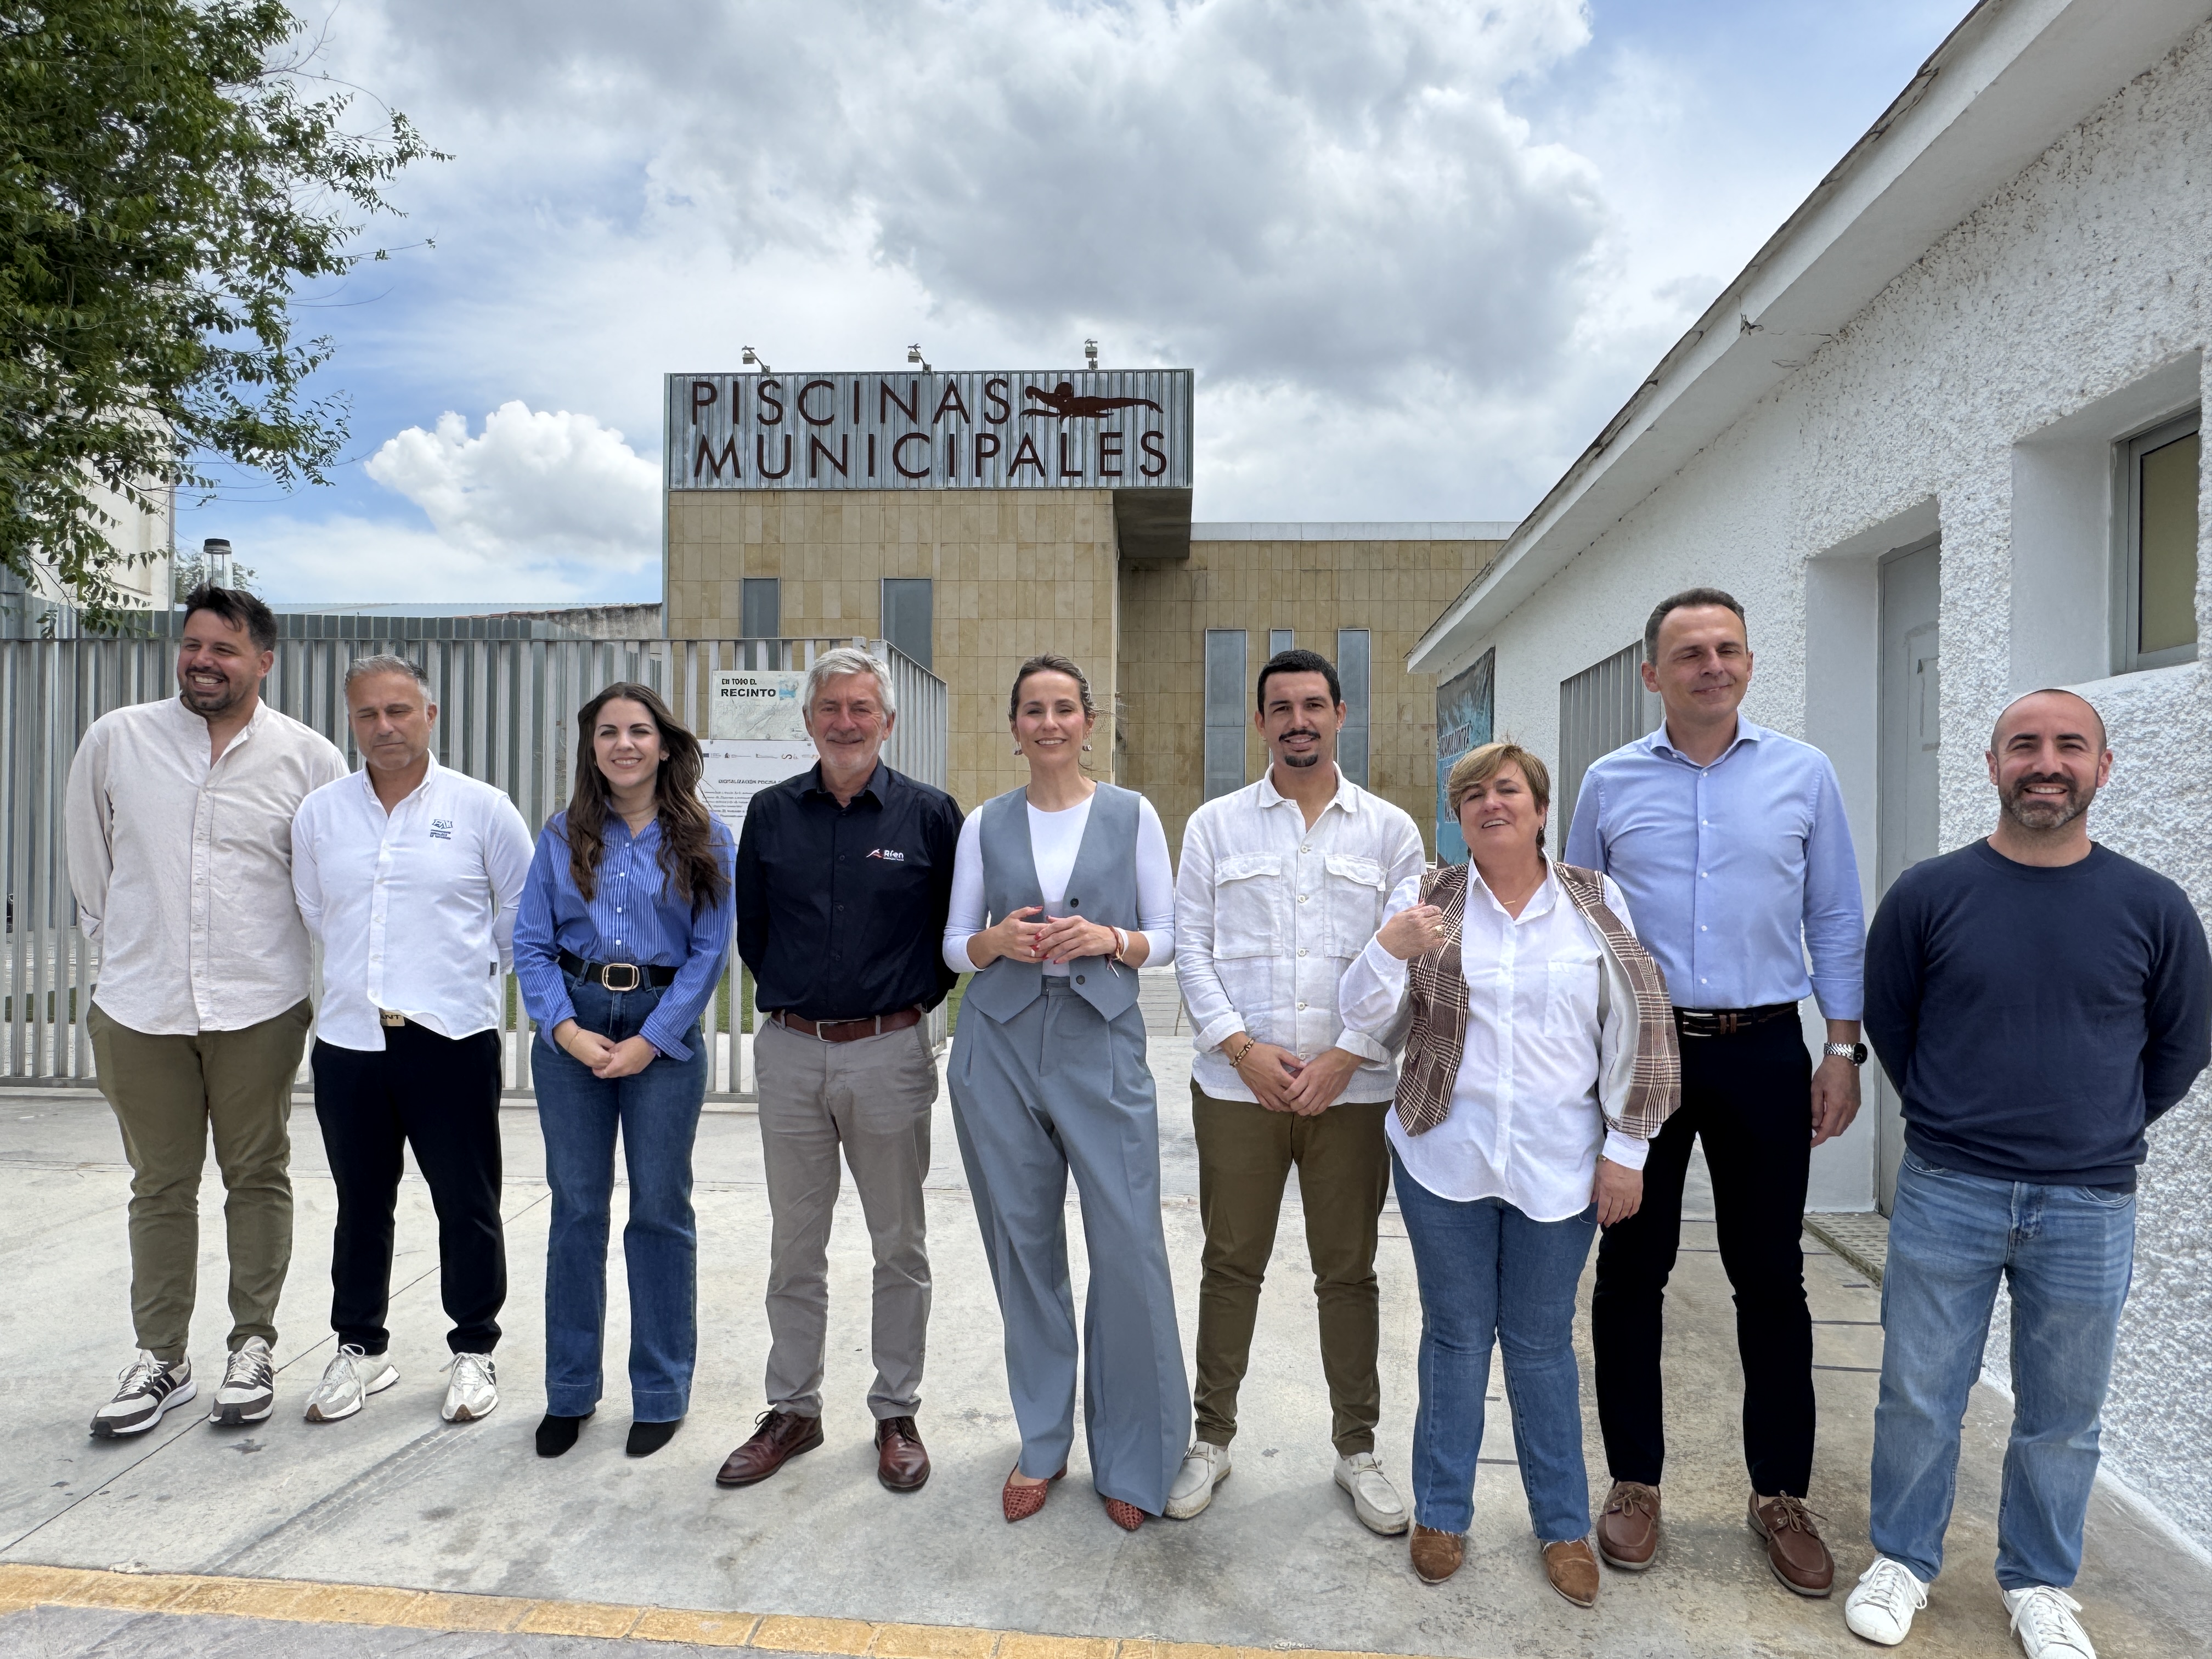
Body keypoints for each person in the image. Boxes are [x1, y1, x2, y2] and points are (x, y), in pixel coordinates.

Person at [1844, 690, 2208, 1657]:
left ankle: (2039, 1582)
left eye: (2070, 746)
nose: (2047, 764)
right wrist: (1952, 1113)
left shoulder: (2153, 907)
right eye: (2025, 746)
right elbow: (1893, 1022)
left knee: (2064, 1415)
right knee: (1920, 1393)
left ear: (2102, 767)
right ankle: (1904, 1560)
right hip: (1949, 1187)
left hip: (2091, 1200)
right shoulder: (1929, 894)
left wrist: (2101, 1124)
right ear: (1994, 765)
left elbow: (2180, 1044)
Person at [1567, 587, 1865, 1596]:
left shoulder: (1803, 774)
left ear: (1748, 662)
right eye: (1689, 653)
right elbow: (1581, 926)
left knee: (1770, 1277)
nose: (1711, 666)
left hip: (1764, 1050)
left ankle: (1779, 1493)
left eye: (1727, 649)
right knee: (1631, 1269)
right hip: (1644, 1054)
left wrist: (1842, 1049)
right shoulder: (1609, 782)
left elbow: (1835, 913)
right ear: (1653, 674)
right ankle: (1635, 1481)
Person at [1340, 741, 1677, 1605]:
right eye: (1474, 795)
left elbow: (1637, 1024)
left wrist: (1628, 1150)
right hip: (1443, 1157)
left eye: (1508, 790)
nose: (1492, 804)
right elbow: (1365, 1018)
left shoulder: (1594, 900)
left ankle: (1561, 1526)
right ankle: (1441, 1513)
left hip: (1560, 1166)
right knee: (1455, 1339)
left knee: (1538, 1345)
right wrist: (1388, 948)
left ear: (1540, 809)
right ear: (1459, 818)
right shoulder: (1429, 898)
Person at [69, 584, 347, 1436]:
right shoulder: (118, 740)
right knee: (159, 1184)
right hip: (139, 1003)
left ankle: (252, 1346)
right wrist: (124, 947)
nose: (202, 662)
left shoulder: (308, 759)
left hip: (258, 1004)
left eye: (224, 649)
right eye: (192, 645)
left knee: (256, 1175)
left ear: (264, 660)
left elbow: (326, 885)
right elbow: (91, 868)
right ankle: (162, 1358)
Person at [1170, 647, 1426, 1533]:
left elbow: (1405, 962)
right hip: (1237, 1088)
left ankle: (1358, 1451)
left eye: (1313, 705)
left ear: (1340, 715)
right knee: (1230, 1263)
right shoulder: (1215, 827)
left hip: (1348, 1095)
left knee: (1347, 1272)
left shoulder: (1391, 833)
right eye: (1280, 708)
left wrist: (1348, 1056)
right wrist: (1241, 1049)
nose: (1298, 721)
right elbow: (1192, 949)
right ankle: (1211, 1439)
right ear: (1260, 722)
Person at [944, 653, 1188, 1531]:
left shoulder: (1132, 813)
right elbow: (953, 944)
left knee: (1129, 1247)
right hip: (999, 1044)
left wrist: (1110, 938)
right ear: (1014, 728)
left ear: (1088, 721)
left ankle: (1135, 1453)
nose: (1048, 723)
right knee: (1023, 1247)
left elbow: (1167, 936)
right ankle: (1043, 1441)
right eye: (1032, 711)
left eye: (1063, 709)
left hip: (1101, 1041)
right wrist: (995, 943)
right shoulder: (985, 822)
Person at [721, 646, 963, 1494]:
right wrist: (809, 1011)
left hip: (890, 1052)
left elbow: (951, 938)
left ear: (887, 722)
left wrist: (893, 1013)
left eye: (862, 708)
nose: (846, 722)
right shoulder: (770, 813)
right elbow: (754, 933)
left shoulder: (931, 816)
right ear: (809, 720)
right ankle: (794, 1409)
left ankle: (896, 1411)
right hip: (790, 1052)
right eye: (831, 707)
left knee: (899, 1244)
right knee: (796, 1245)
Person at [290, 656, 535, 1426]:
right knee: (361, 1203)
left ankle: (474, 1348)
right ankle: (360, 1347)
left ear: (430, 714)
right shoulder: (321, 815)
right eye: (368, 714)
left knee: (467, 1202)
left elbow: (520, 913)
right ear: (351, 721)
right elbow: (316, 912)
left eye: (399, 710)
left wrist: (456, 977)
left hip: (450, 1039)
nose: (384, 727)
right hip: (349, 1042)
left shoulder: (482, 808)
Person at [515, 681, 735, 1459]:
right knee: (577, 1209)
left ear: (664, 745)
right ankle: (570, 1391)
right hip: (574, 1028)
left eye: (638, 730)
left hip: (660, 1032)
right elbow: (531, 942)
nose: (624, 745)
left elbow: (710, 952)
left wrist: (653, 1040)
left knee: (660, 1210)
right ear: (592, 748)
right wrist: (567, 1032)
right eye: (607, 732)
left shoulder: (705, 837)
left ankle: (661, 1392)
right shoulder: (562, 834)